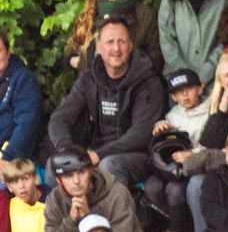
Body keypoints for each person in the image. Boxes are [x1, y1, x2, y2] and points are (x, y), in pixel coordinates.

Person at [47, 18, 167, 188]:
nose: (116, 48)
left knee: (108, 166)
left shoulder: (148, 81)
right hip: (94, 151)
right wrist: (68, 150)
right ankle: (67, 215)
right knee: (56, 165)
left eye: (122, 42)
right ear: (99, 47)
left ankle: (115, 215)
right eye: (110, 42)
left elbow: (141, 134)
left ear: (130, 46)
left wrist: (98, 154)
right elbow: (59, 118)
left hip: (138, 155)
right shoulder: (89, 79)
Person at [66, 0, 160, 74]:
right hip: (92, 87)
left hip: (131, 87)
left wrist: (126, 65)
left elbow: (156, 56)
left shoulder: (145, 15)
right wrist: (79, 62)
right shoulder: (91, 11)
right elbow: (71, 48)